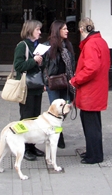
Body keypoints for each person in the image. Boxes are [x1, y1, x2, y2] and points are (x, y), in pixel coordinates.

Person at [70, 17, 110, 164]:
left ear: (81, 29)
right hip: (97, 89)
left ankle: (94, 156)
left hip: (90, 92)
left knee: (90, 125)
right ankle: (94, 152)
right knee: (94, 123)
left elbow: (91, 68)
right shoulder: (101, 42)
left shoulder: (90, 44)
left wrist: (75, 80)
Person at [14, 19, 45, 161]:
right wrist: (34, 61)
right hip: (26, 88)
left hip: (36, 86)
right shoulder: (22, 45)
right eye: (37, 29)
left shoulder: (37, 45)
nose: (40, 32)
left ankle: (32, 146)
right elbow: (18, 66)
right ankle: (24, 148)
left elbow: (40, 66)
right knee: (26, 118)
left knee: (35, 118)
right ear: (30, 30)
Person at [44, 20, 75, 149]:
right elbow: (43, 66)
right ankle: (58, 136)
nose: (67, 31)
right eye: (64, 29)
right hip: (53, 83)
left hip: (66, 82)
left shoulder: (68, 45)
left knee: (65, 109)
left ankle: (58, 131)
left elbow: (72, 63)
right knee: (56, 111)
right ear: (57, 31)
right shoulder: (48, 46)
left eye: (67, 29)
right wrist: (45, 82)